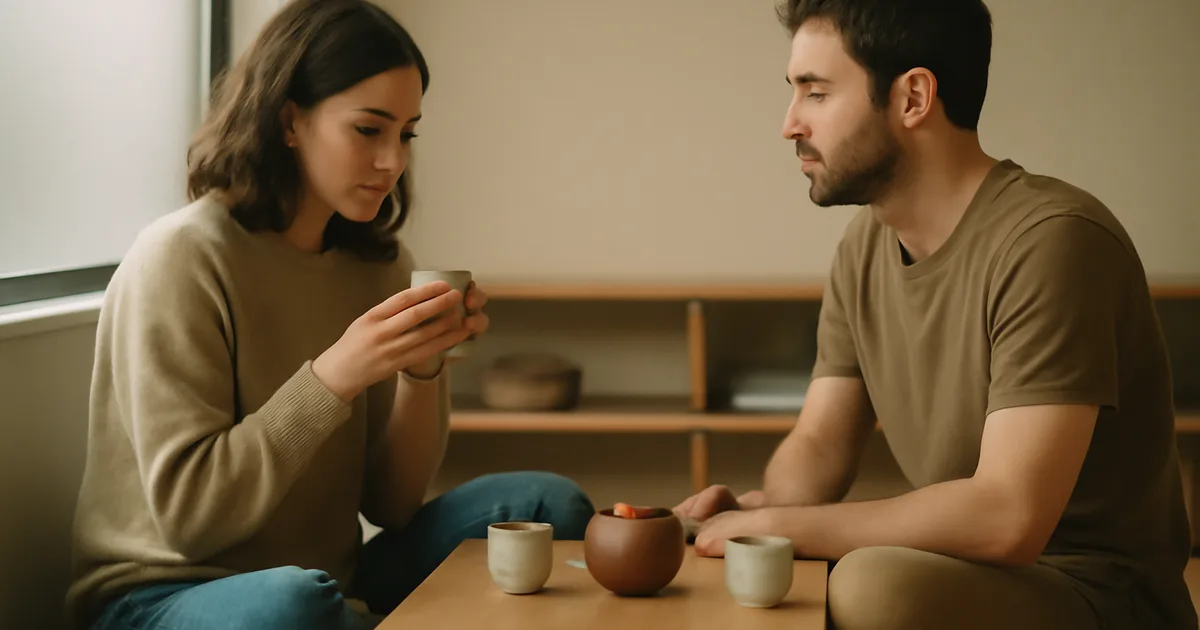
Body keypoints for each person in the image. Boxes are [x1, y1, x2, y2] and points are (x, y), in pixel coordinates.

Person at [65, 1, 595, 628]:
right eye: (369, 130)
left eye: (406, 133)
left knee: (547, 504)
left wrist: (424, 369)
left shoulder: (377, 265)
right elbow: (191, 524)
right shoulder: (179, 259)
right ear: (290, 121)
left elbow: (392, 507)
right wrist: (337, 373)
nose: (393, 160)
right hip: (164, 594)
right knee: (295, 604)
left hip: (330, 580)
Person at [673, 1, 1196, 628]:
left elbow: (1008, 517)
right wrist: (757, 514)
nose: (789, 125)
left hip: (1095, 594)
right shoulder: (865, 247)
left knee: (872, 586)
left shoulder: (1053, 241)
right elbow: (819, 442)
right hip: (977, 576)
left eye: (815, 94)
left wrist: (786, 524)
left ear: (913, 97)